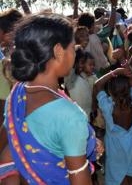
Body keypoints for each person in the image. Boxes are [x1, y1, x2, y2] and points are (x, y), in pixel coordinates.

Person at [2, 13, 99, 184]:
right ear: (58, 51)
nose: (75, 53)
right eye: (72, 47)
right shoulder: (69, 116)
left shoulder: (18, 93)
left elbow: (10, 145)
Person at [93, 67, 132, 185]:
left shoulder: (107, 107)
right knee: (130, 174)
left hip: (116, 147)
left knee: (119, 176)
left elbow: (97, 85)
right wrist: (128, 73)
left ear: (110, 91)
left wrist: (117, 71)